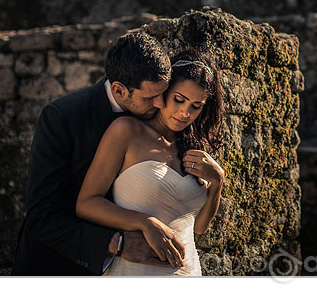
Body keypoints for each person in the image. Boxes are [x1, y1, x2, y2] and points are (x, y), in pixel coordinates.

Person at [12, 30, 174, 275]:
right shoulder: (62, 117)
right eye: (151, 97)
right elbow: (42, 218)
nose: (162, 104)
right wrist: (115, 243)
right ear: (119, 91)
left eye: (163, 93)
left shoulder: (162, 114)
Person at [76, 48, 226, 276]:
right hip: (135, 272)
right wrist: (145, 223)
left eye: (196, 106)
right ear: (164, 91)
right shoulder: (126, 131)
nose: (185, 113)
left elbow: (198, 228)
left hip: (188, 272)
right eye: (179, 99)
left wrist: (217, 182)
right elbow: (86, 204)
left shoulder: (193, 147)